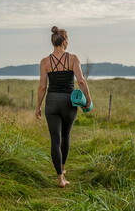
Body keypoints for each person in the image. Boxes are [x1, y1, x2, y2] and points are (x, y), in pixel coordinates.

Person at [35, 26, 92, 188]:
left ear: (53, 42)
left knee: (55, 141)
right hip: (68, 102)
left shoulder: (45, 62)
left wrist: (38, 107)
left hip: (52, 102)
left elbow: (42, 87)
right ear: (64, 41)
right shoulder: (73, 58)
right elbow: (81, 81)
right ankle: (63, 168)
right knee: (65, 137)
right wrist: (88, 99)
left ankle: (60, 178)